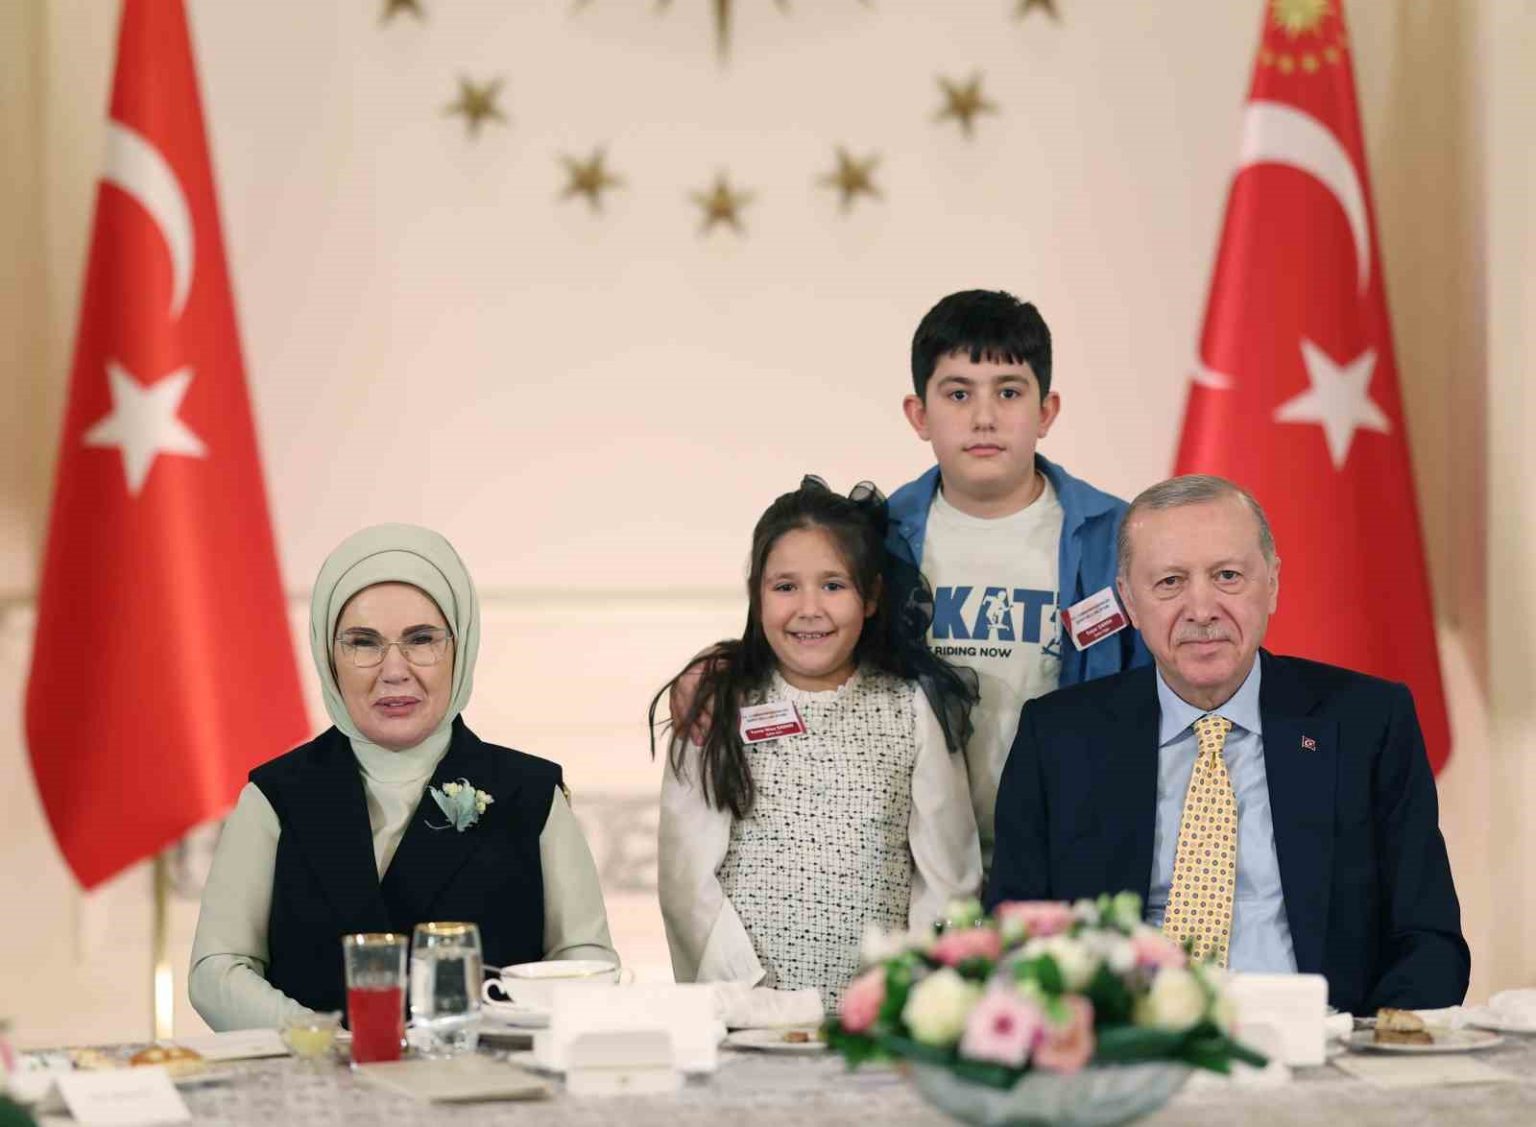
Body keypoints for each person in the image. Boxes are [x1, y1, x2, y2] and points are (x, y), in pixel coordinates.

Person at [988, 475, 1469, 1014]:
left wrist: (1365, 1045)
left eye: (1227, 576)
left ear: (1272, 584)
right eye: (1170, 582)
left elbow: (1428, 940)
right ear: (1129, 600)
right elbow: (1015, 938)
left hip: (1320, 1040)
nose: (1202, 609)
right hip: (1129, 1045)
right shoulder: (1058, 738)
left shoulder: (1368, 722)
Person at [189, 524, 617, 1030]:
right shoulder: (275, 796)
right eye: (363, 643)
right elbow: (216, 973)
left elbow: (586, 966)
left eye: (421, 640)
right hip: (314, 1076)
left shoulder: (531, 794)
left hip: (489, 1075)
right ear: (329, 656)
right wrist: (328, 1044)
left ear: (461, 647)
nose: (394, 670)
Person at [654, 478, 981, 1009]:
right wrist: (750, 997)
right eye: (785, 587)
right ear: (757, 594)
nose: (809, 608)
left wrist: (910, 995)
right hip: (748, 1013)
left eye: (833, 585)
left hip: (876, 1017)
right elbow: (686, 878)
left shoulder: (911, 708)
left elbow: (948, 877)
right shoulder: (716, 704)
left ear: (870, 597)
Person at [887, 290, 1149, 869]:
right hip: (911, 868)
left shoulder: (1121, 538)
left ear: (1046, 411)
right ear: (919, 415)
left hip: (1071, 858)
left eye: (1008, 392)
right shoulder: (876, 539)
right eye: (958, 394)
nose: (984, 418)